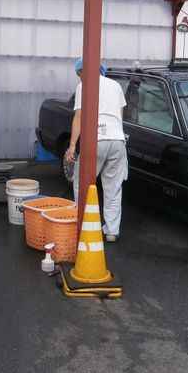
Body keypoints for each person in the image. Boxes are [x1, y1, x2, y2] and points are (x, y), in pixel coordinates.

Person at [65, 58, 128, 242]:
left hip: (96, 139)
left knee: (82, 183)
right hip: (117, 140)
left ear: (84, 70)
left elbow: (79, 116)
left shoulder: (84, 86)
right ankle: (111, 231)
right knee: (113, 187)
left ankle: (83, 225)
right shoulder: (115, 85)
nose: (79, 78)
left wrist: (72, 145)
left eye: (79, 74)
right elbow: (120, 115)